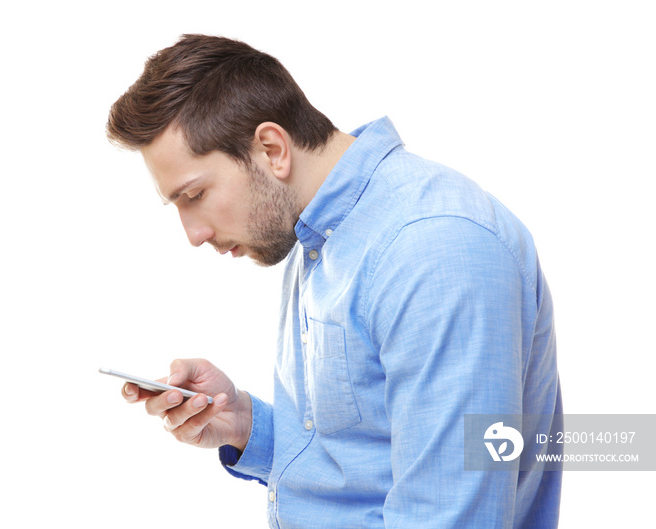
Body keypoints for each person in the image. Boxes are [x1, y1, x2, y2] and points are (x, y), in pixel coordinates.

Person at [107, 34, 562, 528]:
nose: (192, 234)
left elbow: (447, 514)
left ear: (271, 148)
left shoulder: (433, 248)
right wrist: (245, 425)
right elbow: (369, 455)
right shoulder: (321, 234)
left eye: (194, 194)